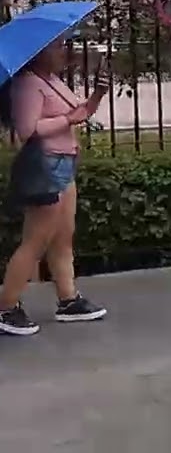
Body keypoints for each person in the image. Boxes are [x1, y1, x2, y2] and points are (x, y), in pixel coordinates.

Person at [0, 39, 109, 335]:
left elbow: (82, 112)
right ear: (39, 52)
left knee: (63, 239)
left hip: (64, 163)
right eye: (58, 46)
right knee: (36, 240)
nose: (65, 51)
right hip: (45, 166)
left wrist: (97, 95)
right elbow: (28, 130)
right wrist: (68, 118)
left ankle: (68, 299)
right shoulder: (27, 84)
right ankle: (6, 306)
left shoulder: (52, 81)